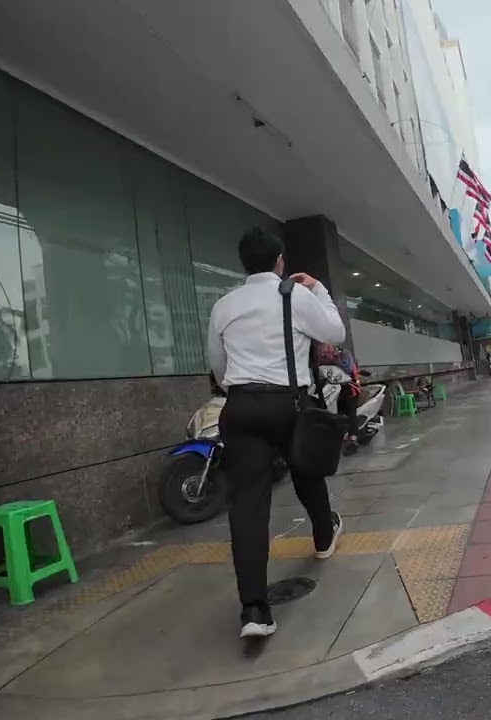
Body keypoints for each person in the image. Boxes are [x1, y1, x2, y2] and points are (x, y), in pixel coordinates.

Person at [207, 227, 347, 640]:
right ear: (280, 261)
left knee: (247, 505)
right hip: (289, 403)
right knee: (306, 471)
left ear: (244, 264)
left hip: (241, 406)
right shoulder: (296, 295)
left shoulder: (224, 305)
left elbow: (217, 364)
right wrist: (319, 289)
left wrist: (240, 387)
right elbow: (335, 334)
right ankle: (323, 537)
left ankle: (254, 611)